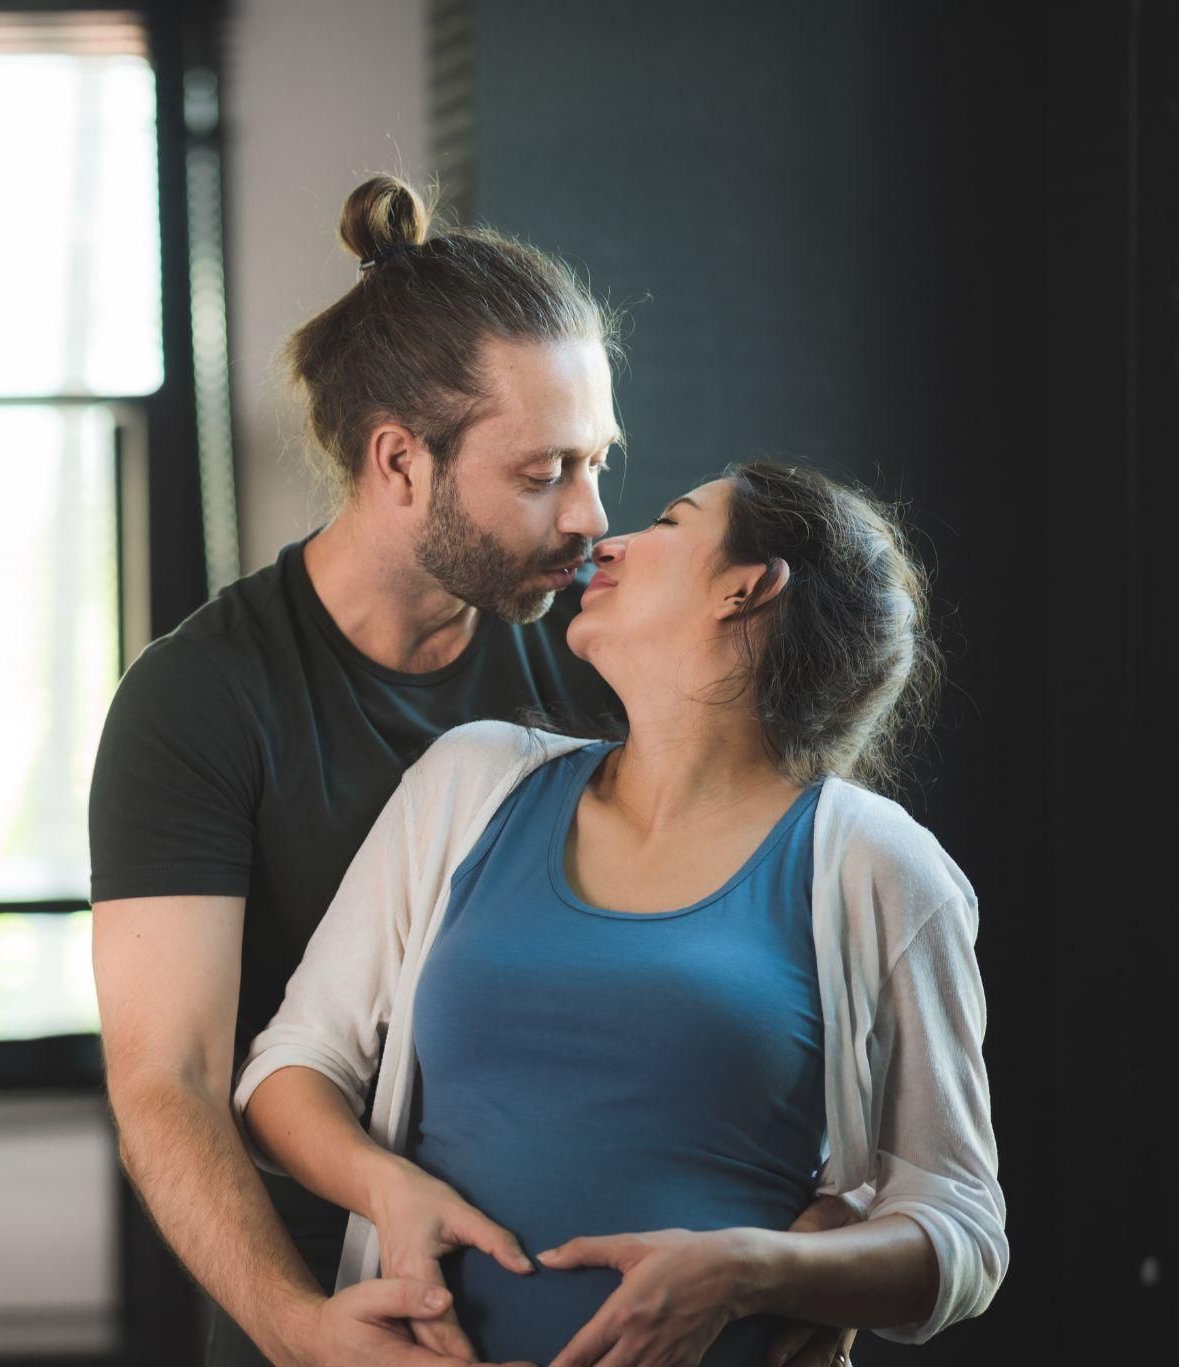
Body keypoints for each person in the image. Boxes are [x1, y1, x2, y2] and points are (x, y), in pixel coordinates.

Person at [88, 173, 861, 1367]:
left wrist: (800, 1260)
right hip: (337, 1300)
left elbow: (784, 948)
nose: (590, 518)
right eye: (542, 471)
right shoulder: (200, 700)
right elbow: (168, 1082)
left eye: (599, 462)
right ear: (399, 464)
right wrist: (298, 1329)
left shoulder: (601, 644)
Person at [234, 461, 1008, 1367]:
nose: (609, 540)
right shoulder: (469, 782)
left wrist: (752, 1270)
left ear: (746, 587)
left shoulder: (880, 865)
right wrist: (387, 1187)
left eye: (669, 523)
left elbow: (961, 1228)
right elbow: (287, 1069)